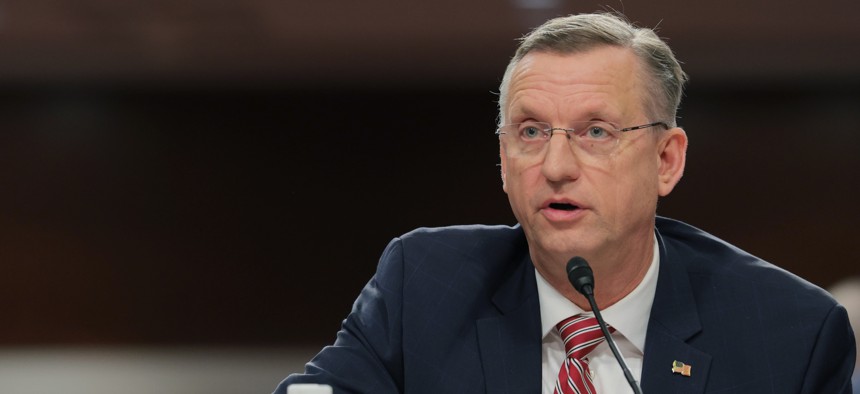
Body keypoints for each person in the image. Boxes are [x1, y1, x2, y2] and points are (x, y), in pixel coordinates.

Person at [274, 12, 855, 393]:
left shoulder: (788, 335)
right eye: (530, 133)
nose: (555, 167)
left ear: (666, 160)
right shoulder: (426, 286)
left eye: (596, 132)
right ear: (503, 160)